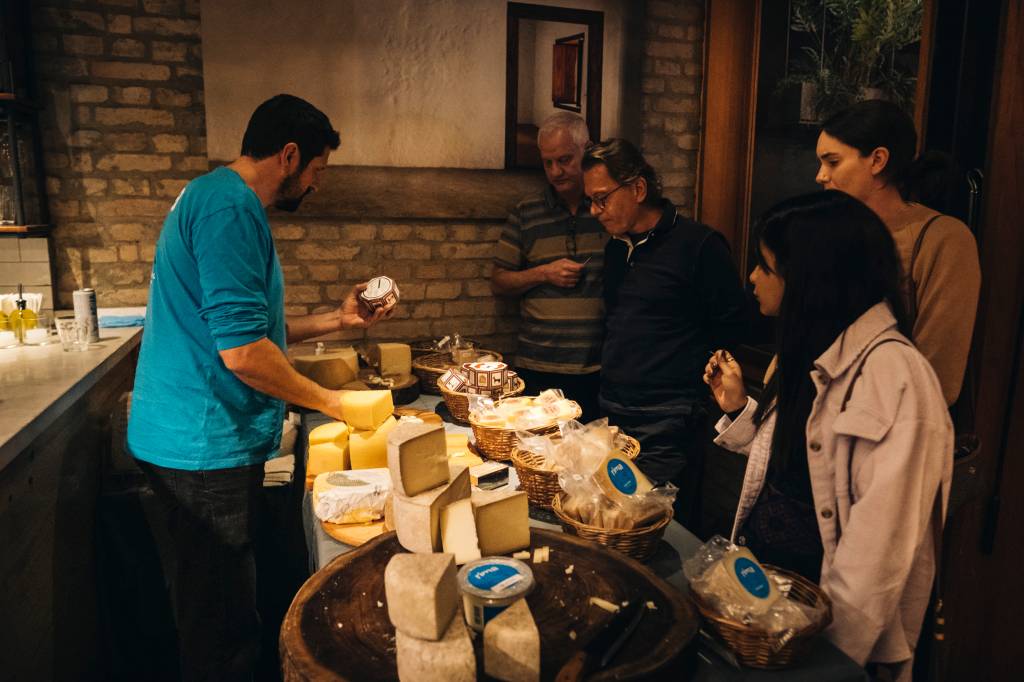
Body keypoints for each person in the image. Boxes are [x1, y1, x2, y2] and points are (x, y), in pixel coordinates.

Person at [127, 94, 390, 680]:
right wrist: (331, 402)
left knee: (211, 605)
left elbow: (249, 330)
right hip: (200, 448)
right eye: (317, 171)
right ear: (290, 155)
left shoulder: (212, 196)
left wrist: (337, 321)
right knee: (221, 625)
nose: (316, 186)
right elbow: (244, 355)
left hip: (187, 441)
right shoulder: (231, 211)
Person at [705, 190, 952, 679]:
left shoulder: (895, 377)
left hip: (822, 635)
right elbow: (799, 470)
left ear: (810, 281)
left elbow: (875, 558)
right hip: (772, 610)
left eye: (765, 267)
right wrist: (738, 410)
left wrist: (828, 663)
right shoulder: (809, 350)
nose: (752, 278)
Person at [581, 138, 747, 525]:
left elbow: (731, 326)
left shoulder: (699, 245)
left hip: (670, 419)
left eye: (602, 198)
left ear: (638, 188)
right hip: (616, 412)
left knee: (662, 526)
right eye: (591, 200)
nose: (594, 210)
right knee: (617, 521)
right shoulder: (615, 249)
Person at [815, 99, 981, 406]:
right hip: (819, 420)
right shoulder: (831, 232)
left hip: (887, 427)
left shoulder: (943, 239)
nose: (820, 176)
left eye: (832, 162)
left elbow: (938, 371)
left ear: (877, 160)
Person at [492, 112, 607, 421]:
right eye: (548, 163)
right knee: (537, 457)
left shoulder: (607, 210)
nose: (556, 171)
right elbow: (499, 282)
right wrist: (544, 273)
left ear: (588, 150)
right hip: (537, 366)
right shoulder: (526, 212)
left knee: (591, 457)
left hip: (597, 368)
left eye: (565, 159)